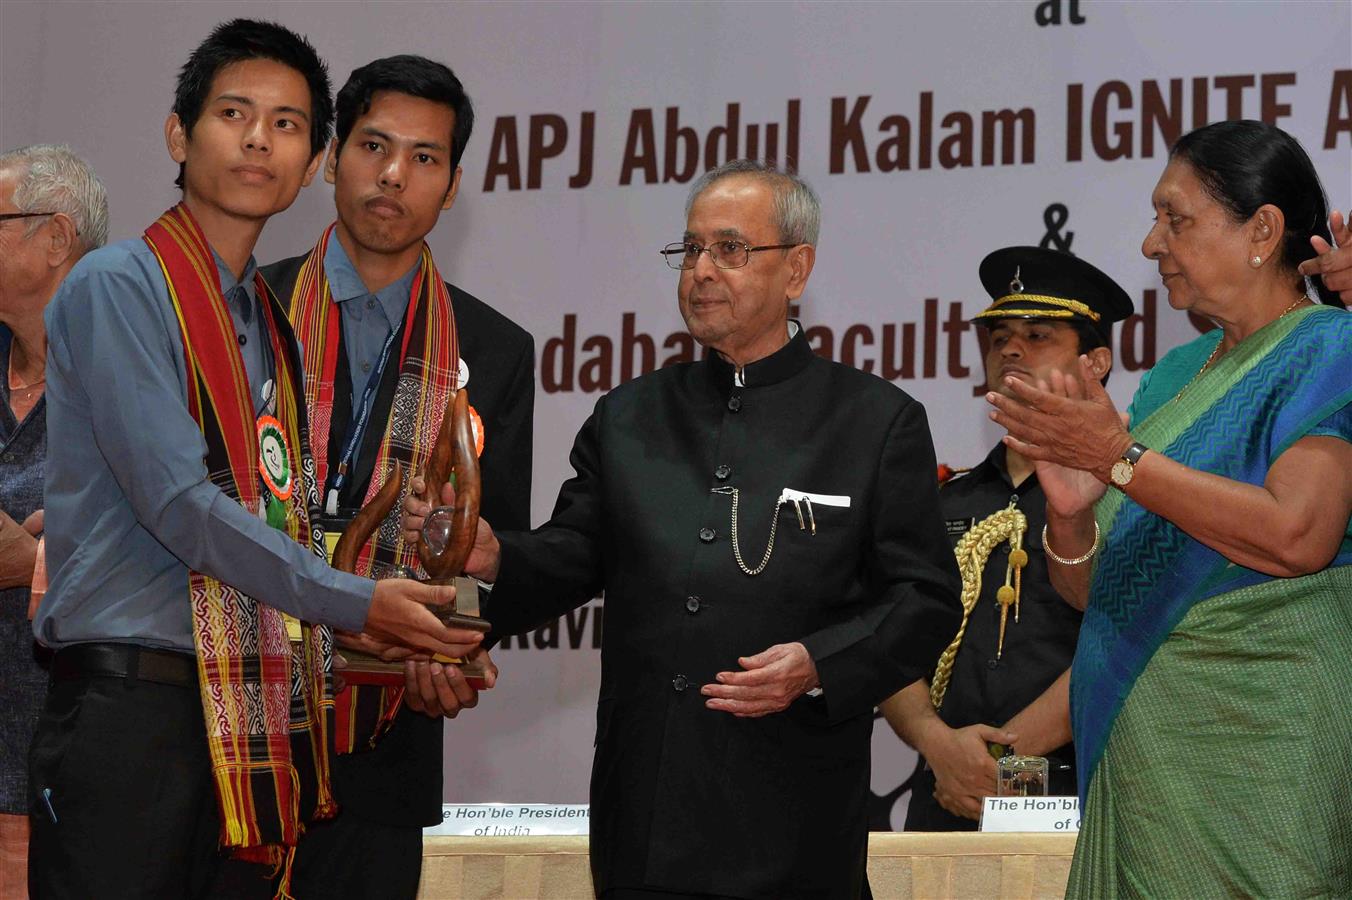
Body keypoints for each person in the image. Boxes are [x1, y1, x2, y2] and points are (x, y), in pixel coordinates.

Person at [405, 159, 960, 898]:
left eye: (730, 250)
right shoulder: (630, 416)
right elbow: (574, 555)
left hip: (793, 817)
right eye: (691, 250)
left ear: (797, 270)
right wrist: (495, 554)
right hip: (646, 814)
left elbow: (925, 599)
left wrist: (819, 664)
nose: (701, 270)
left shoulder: (873, 422)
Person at [28, 20, 483, 898]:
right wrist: (358, 601)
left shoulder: (264, 323)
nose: (257, 140)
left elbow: (280, 517)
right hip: (133, 709)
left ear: (311, 162)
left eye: (286, 125)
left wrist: (425, 629)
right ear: (177, 133)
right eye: (234, 112)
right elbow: (179, 505)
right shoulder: (118, 284)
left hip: (242, 715)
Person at [987, 120, 1352, 895]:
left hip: (1262, 761)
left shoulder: (1332, 347)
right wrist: (1072, 514)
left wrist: (1116, 459)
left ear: (1262, 231)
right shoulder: (1175, 375)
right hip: (1145, 763)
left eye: (1175, 218)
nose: (1152, 244)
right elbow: (1098, 596)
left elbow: (1298, 536)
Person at [260, 55, 535, 899]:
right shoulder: (248, 310)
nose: (393, 175)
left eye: (425, 158)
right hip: (236, 736)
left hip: (387, 751)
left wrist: (454, 644)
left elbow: (494, 555)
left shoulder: (494, 348)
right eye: (374, 145)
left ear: (452, 187)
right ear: (333, 156)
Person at [882, 246, 1132, 828]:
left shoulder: (1130, 491)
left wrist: (997, 764)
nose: (1010, 349)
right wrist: (941, 747)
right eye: (999, 339)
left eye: (1039, 335)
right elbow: (890, 644)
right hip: (944, 785)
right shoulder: (946, 499)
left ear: (1095, 362)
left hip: (1072, 788)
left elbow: (1127, 641)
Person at [0, 144, 106, 899]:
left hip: (63, 768)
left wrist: (36, 559)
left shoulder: (119, 370)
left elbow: (174, 526)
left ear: (56, 239)